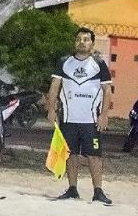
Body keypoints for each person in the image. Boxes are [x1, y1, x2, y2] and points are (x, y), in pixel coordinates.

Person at [48, 27, 113, 205]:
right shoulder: (64, 62)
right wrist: (51, 109)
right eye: (79, 39)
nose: (82, 42)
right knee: (71, 154)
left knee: (94, 155)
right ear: (75, 42)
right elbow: (55, 86)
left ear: (92, 43)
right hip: (69, 118)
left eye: (86, 39)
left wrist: (104, 115)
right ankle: (72, 189)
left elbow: (107, 90)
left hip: (91, 120)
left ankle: (98, 191)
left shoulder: (99, 64)